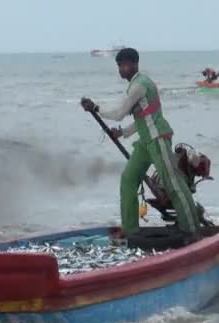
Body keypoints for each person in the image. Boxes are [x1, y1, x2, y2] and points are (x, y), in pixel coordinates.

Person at [80, 48, 200, 238]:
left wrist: (95, 107)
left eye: (125, 65)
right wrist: (122, 133)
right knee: (128, 179)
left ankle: (191, 230)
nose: (121, 69)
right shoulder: (136, 85)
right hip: (145, 141)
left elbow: (119, 114)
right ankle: (130, 230)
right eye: (119, 66)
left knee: (173, 183)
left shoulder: (140, 85)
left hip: (158, 138)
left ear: (135, 64)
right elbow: (142, 118)